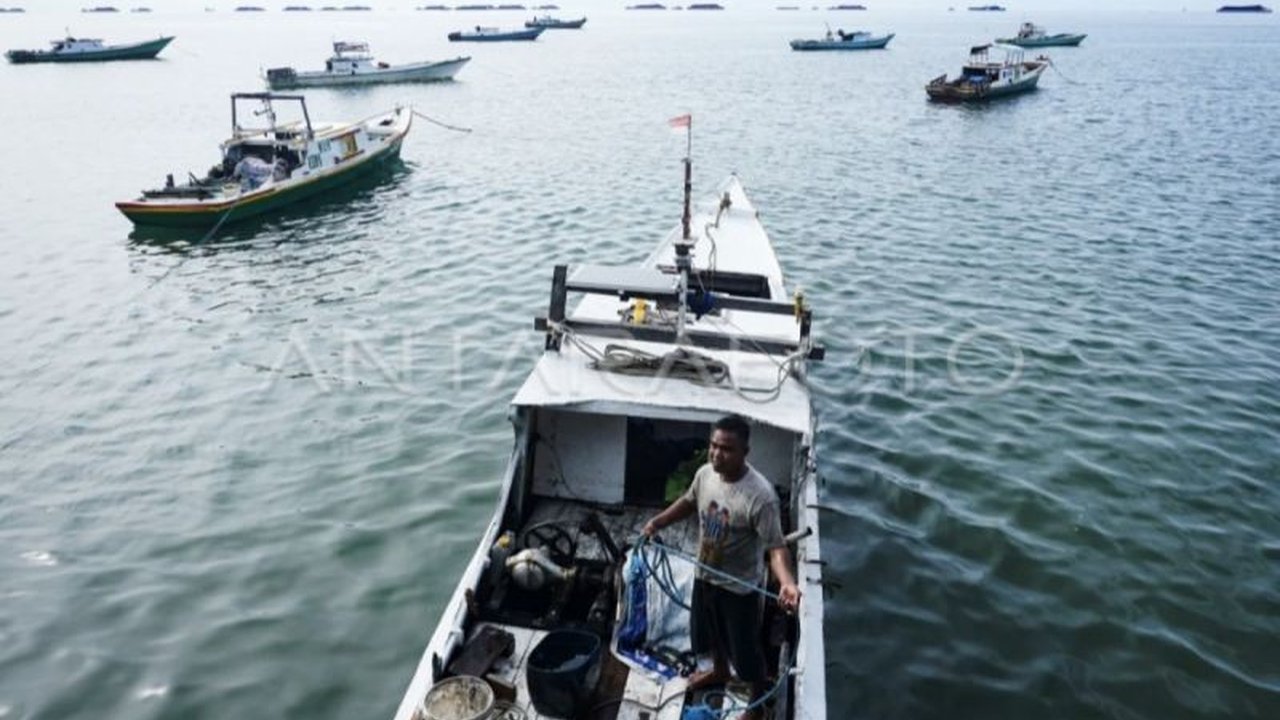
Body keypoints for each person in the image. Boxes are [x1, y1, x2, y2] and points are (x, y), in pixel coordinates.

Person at [642, 415, 801, 720]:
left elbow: (776, 548)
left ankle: (757, 705)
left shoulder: (761, 496)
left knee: (746, 653)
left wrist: (788, 583)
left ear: (745, 452)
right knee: (708, 633)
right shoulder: (704, 474)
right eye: (713, 445)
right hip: (705, 574)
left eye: (726, 449)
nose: (716, 453)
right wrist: (657, 522)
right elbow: (689, 501)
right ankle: (718, 671)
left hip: (738, 587)